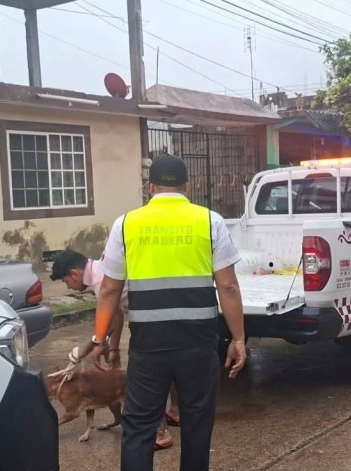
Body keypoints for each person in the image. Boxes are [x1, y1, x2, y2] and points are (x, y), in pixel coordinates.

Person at [89, 154, 247, 471]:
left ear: (151, 188)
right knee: (197, 425)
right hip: (199, 344)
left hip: (149, 346)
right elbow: (228, 287)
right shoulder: (209, 221)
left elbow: (108, 290)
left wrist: (99, 337)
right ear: (186, 186)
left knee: (138, 428)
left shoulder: (127, 224)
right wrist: (238, 339)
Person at [50, 250, 180, 450]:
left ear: (75, 274)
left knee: (146, 375)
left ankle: (161, 433)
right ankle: (176, 411)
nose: (69, 286)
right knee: (167, 365)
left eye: (66, 281)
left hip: (153, 317)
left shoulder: (100, 280)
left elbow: (112, 313)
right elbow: (117, 313)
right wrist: (113, 348)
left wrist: (94, 345)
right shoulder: (101, 271)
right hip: (163, 312)